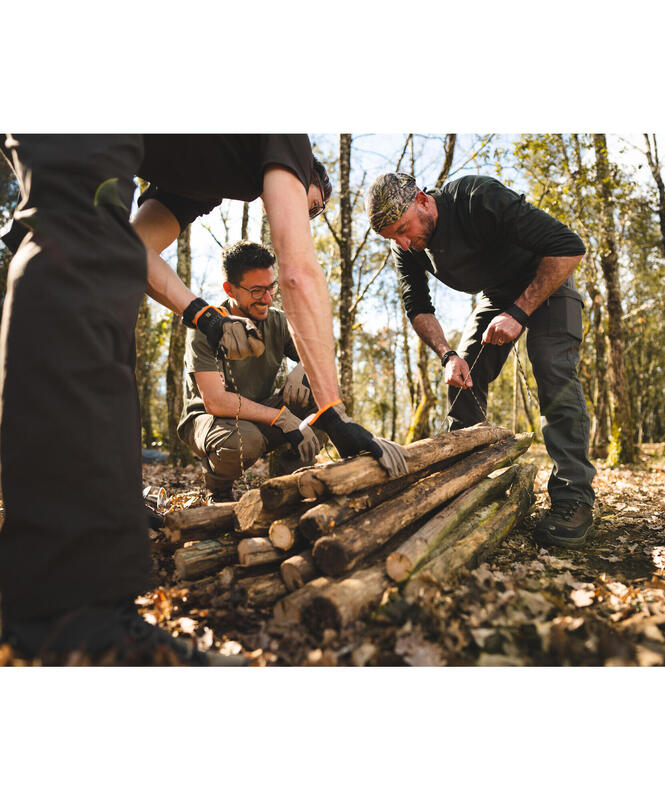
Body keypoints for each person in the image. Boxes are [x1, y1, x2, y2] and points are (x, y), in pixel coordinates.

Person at [0, 134, 406, 665]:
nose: (307, 215)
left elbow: (133, 251)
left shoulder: (201, 183)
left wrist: (198, 311)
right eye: (314, 205)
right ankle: (71, 612)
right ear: (305, 178)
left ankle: (83, 533)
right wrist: (332, 413)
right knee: (76, 242)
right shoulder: (286, 139)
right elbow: (300, 270)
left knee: (88, 251)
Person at [366, 172, 596, 549]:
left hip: (548, 282)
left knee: (553, 370)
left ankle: (574, 499)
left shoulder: (477, 197)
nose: (404, 243)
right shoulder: (405, 248)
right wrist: (447, 355)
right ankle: (465, 489)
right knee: (464, 377)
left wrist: (519, 314)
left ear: (423, 200)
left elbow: (569, 247)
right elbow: (417, 306)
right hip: (497, 298)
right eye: (394, 237)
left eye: (403, 229)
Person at [177, 240, 320, 503]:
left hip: (259, 412)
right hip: (209, 421)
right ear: (229, 289)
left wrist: (302, 368)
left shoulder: (277, 320)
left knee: (319, 391)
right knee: (244, 439)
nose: (267, 298)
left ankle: (290, 483)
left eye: (271, 287)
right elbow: (215, 402)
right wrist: (282, 418)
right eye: (256, 291)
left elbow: (318, 353)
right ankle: (218, 489)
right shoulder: (204, 328)